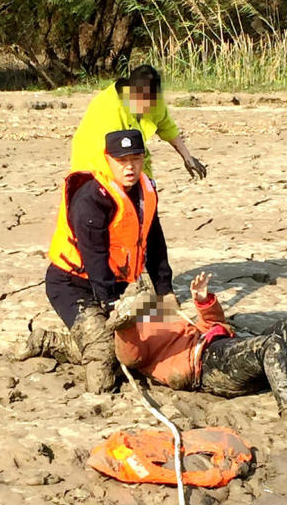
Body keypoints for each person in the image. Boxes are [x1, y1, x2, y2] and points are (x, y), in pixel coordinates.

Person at [20, 128, 177, 393]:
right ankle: (70, 362)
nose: (130, 167)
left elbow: (155, 242)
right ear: (108, 159)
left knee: (156, 329)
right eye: (122, 161)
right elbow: (95, 257)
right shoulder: (91, 199)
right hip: (71, 285)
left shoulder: (146, 191)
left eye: (136, 159)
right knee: (104, 352)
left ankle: (53, 341)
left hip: (117, 283)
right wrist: (112, 305)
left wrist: (165, 291)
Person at [111, 272, 287, 423]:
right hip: (208, 365)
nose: (142, 294)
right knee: (270, 344)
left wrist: (203, 301)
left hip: (223, 345)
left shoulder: (161, 313)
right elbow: (131, 359)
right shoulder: (133, 330)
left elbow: (213, 323)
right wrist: (123, 326)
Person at [70, 64, 207, 180]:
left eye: (150, 100)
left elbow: (167, 127)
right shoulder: (109, 109)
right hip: (95, 166)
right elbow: (115, 157)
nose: (146, 105)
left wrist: (187, 158)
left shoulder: (154, 102)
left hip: (132, 164)